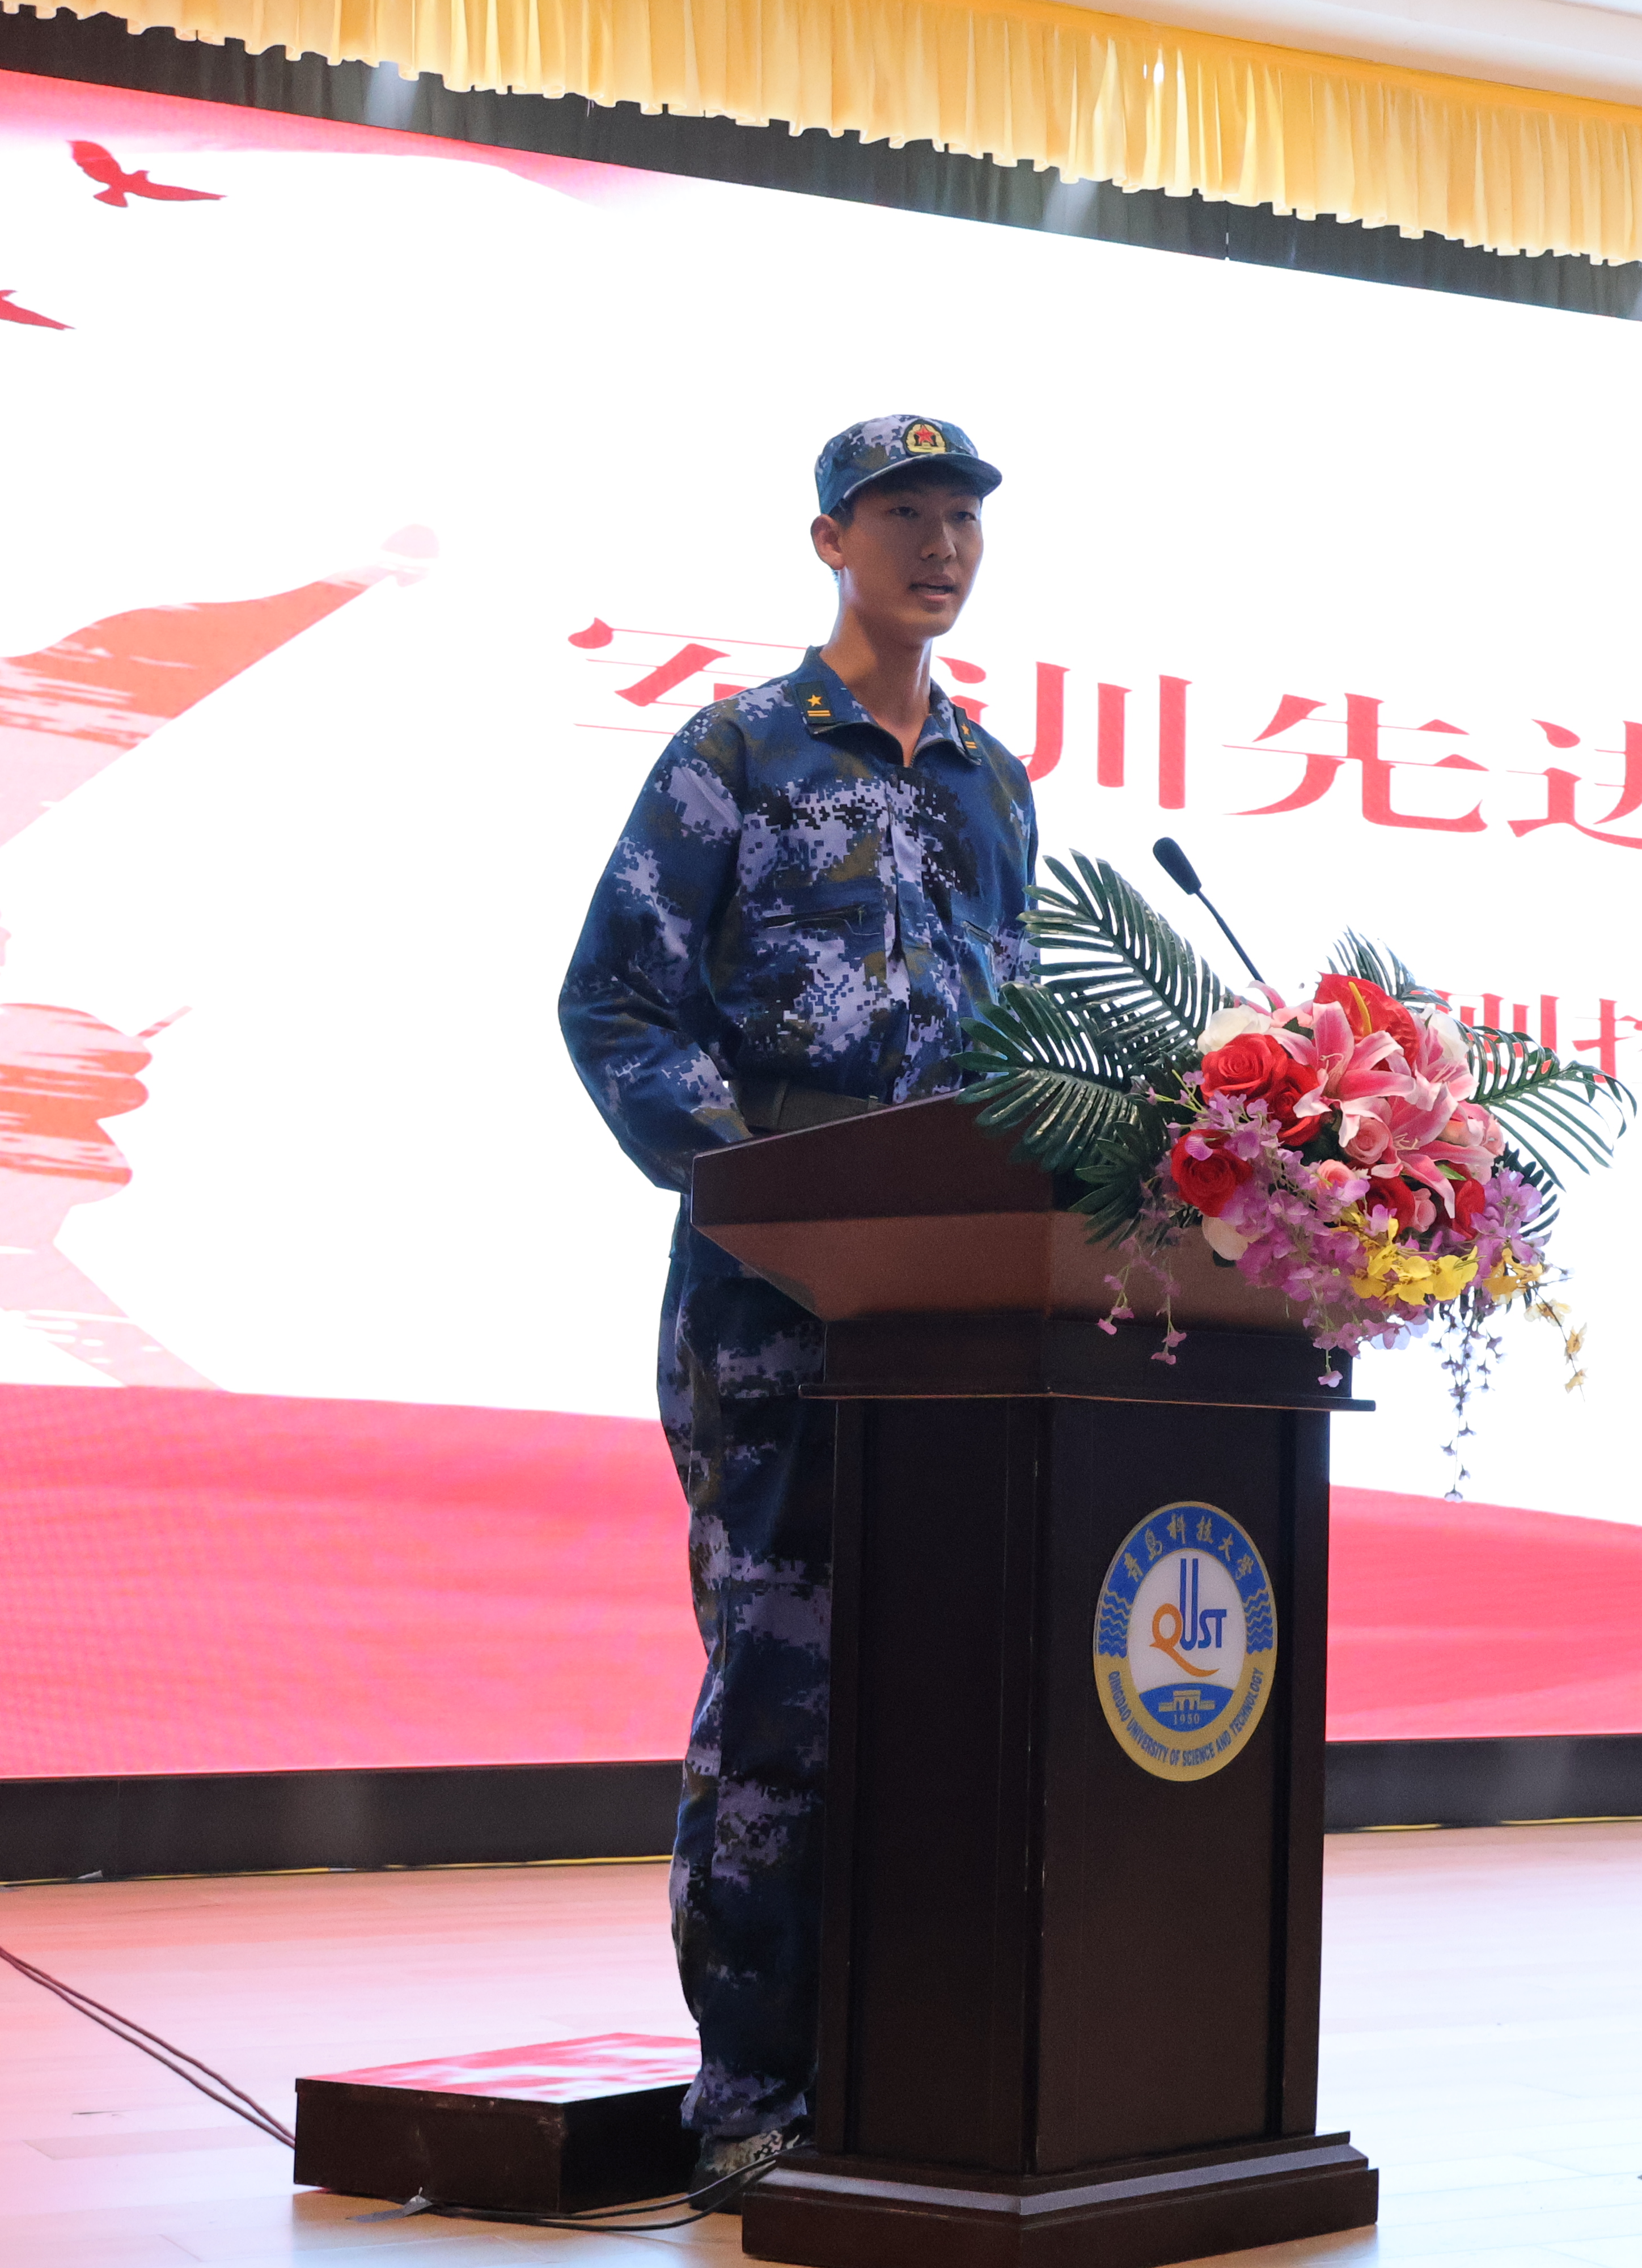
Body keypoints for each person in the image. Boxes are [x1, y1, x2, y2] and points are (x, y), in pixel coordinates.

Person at [558, 414, 1036, 2177]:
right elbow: (617, 1003)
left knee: (948, 1689)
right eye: (904, 515)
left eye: (962, 518)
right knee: (780, 1688)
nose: (941, 546)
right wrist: (767, 1196)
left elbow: (1015, 1041)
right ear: (831, 541)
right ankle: (752, 2099)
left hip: (956, 1313)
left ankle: (914, 2071)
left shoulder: (995, 782)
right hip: (775, 1300)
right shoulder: (739, 751)